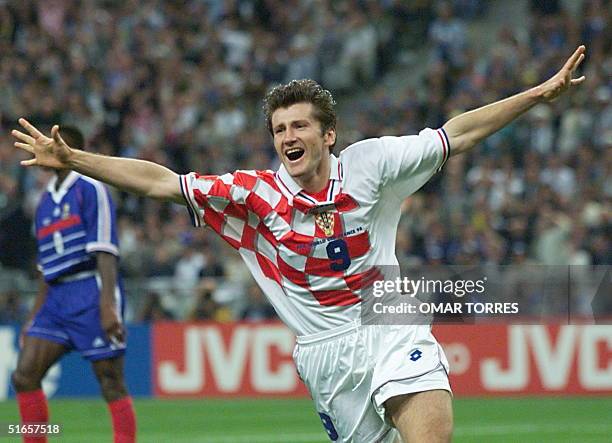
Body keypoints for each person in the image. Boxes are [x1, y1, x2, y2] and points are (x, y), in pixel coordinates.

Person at [12, 46, 586, 442]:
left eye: (300, 126)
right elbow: (162, 181)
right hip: (324, 351)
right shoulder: (251, 195)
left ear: (327, 134)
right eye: (280, 129)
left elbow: (457, 133)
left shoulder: (372, 165)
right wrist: (76, 160)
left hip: (388, 318)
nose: (289, 136)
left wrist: (537, 94)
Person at [11, 126, 136, 443]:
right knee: (24, 375)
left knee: (110, 382)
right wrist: (34, 315)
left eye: (50, 147)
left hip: (90, 290)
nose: (42, 154)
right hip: (56, 297)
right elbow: (44, 267)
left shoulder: (91, 187)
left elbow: (105, 249)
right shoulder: (43, 203)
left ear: (68, 149)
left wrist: (107, 304)